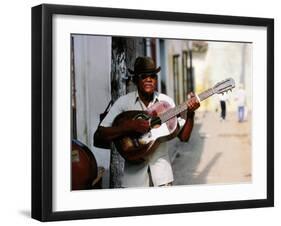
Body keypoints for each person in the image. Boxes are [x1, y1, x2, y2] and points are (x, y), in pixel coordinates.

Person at [94, 56, 200, 187]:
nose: (149, 79)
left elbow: (184, 137)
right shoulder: (123, 103)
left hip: (162, 178)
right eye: (144, 76)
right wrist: (128, 126)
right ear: (135, 79)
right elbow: (100, 133)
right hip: (133, 181)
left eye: (153, 76)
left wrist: (190, 113)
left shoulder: (166, 103)